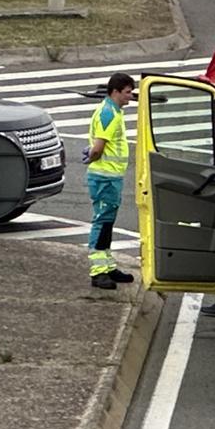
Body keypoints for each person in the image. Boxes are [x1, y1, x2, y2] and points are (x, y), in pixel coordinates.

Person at [85, 72, 138, 290]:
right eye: (127, 92)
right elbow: (98, 148)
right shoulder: (109, 114)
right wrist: (91, 155)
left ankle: (107, 266)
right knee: (102, 222)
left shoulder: (112, 111)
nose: (130, 97)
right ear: (115, 91)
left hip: (110, 175)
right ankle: (98, 272)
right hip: (105, 176)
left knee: (107, 223)